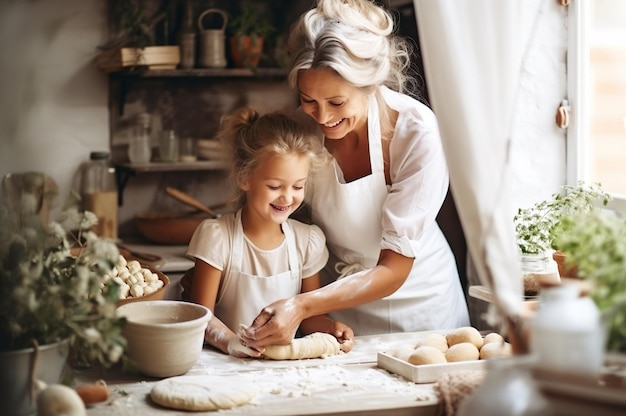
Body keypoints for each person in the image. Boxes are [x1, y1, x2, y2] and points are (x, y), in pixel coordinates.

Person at [240, 0, 470, 349]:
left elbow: (393, 269)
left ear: (371, 84)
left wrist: (302, 306)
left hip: (422, 306)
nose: (321, 117)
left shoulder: (414, 131)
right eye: (308, 100)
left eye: (336, 102)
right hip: (339, 309)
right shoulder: (302, 130)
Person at [182, 107, 354, 357]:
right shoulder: (218, 237)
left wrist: (331, 329)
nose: (287, 197)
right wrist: (233, 343)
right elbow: (202, 317)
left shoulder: (307, 242)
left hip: (284, 372)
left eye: (298, 186)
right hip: (226, 367)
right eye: (274, 186)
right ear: (244, 178)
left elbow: (309, 318)